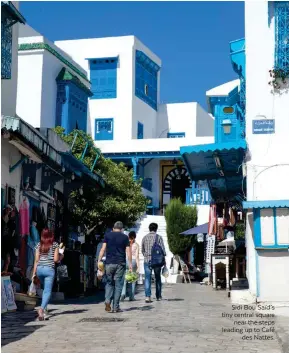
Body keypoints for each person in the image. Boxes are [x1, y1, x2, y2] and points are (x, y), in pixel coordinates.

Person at [98, 221, 132, 313]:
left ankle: (107, 301)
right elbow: (128, 251)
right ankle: (115, 307)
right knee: (118, 285)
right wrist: (130, 264)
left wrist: (99, 260)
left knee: (109, 283)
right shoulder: (125, 237)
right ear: (121, 229)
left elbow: (103, 249)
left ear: (113, 227)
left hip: (109, 263)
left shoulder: (107, 236)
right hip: (120, 264)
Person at [32, 228, 63, 320]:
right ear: (51, 235)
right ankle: (41, 310)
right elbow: (56, 260)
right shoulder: (55, 245)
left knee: (44, 289)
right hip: (49, 270)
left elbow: (36, 260)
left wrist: (34, 274)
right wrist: (62, 256)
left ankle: (44, 308)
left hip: (39, 270)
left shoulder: (38, 245)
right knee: (47, 291)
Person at [142, 223, 166, 303]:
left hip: (147, 260)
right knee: (157, 278)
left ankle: (148, 296)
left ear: (149, 228)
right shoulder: (159, 237)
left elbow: (142, 250)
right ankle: (158, 296)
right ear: (156, 229)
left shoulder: (145, 238)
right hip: (157, 261)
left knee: (147, 279)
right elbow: (163, 250)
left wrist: (146, 255)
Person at [120, 231, 140, 302]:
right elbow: (137, 256)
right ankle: (131, 296)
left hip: (126, 261)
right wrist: (138, 266)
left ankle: (122, 294)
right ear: (134, 237)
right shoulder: (136, 245)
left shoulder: (125, 244)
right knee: (133, 279)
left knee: (124, 279)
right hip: (133, 261)